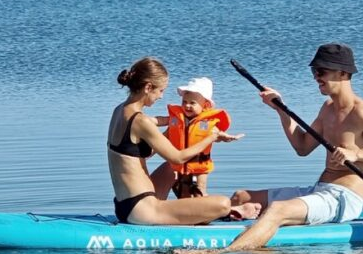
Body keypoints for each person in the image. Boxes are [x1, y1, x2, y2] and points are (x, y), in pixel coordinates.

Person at [182, 43, 363, 254]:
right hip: (319, 190)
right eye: (314, 72)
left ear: (343, 73)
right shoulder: (328, 108)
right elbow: (302, 147)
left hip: (344, 199)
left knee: (278, 210)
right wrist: (281, 110)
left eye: (321, 71)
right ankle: (191, 231)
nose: (316, 77)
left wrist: (357, 153)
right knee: (241, 196)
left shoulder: (362, 113)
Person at [107, 57, 260, 225]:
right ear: (148, 87)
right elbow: (178, 157)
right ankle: (230, 211)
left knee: (170, 169)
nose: (161, 96)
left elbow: (135, 152)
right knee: (223, 203)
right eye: (160, 91)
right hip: (142, 210)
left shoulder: (119, 110)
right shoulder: (141, 121)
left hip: (124, 205)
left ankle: (192, 204)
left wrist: (175, 128)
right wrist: (212, 137)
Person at [161, 77, 242, 199]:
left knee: (199, 191)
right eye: (184, 102)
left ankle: (206, 207)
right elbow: (163, 137)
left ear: (206, 104)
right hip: (181, 167)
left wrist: (228, 137)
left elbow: (218, 134)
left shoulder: (208, 123)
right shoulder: (176, 120)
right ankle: (186, 212)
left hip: (199, 167)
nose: (187, 105)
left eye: (192, 103)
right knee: (183, 193)